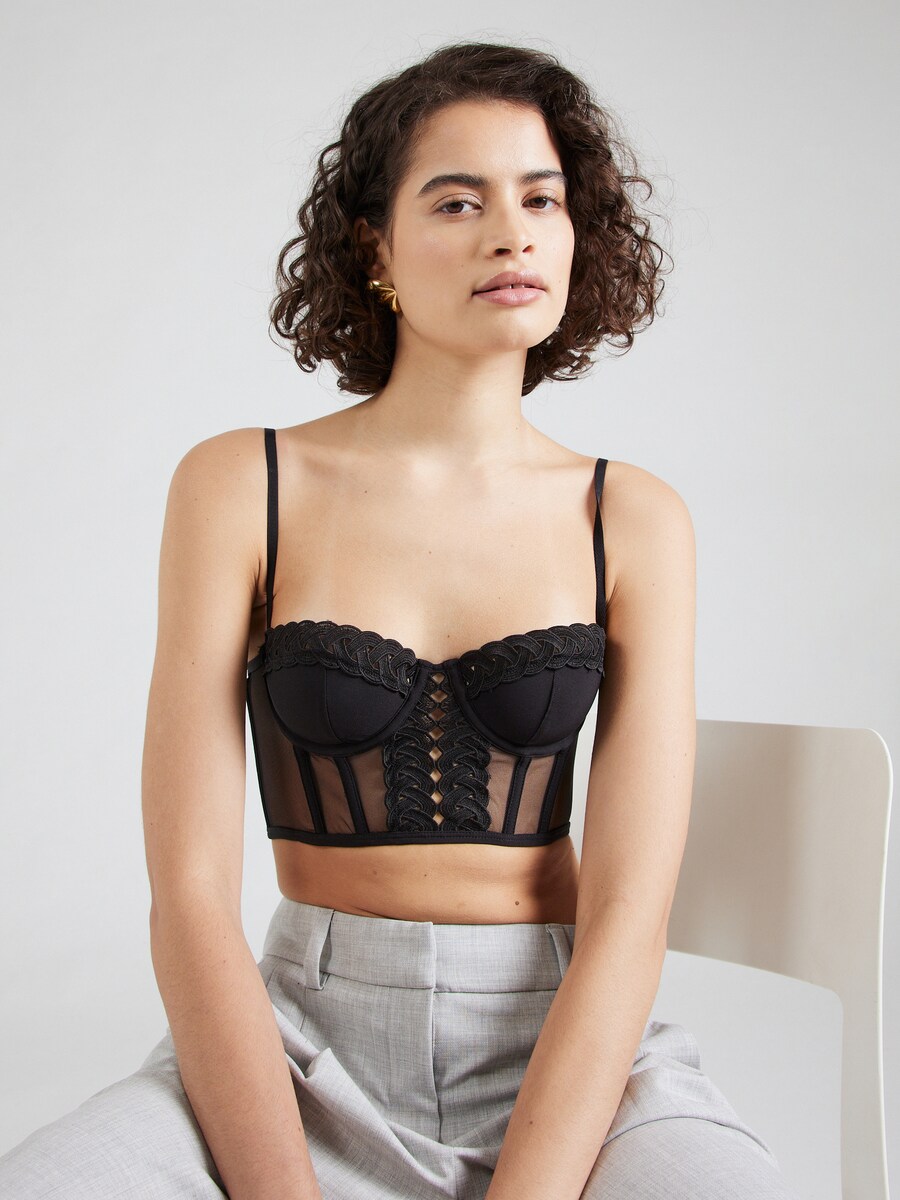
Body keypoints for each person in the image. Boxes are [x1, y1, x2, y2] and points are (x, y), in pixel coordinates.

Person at [0, 39, 798, 1200]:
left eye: (541, 200)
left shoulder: (631, 517)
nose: (512, 234)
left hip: (568, 1052)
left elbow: (630, 913)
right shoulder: (243, 486)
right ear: (374, 247)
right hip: (293, 1042)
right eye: (458, 201)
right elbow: (189, 895)